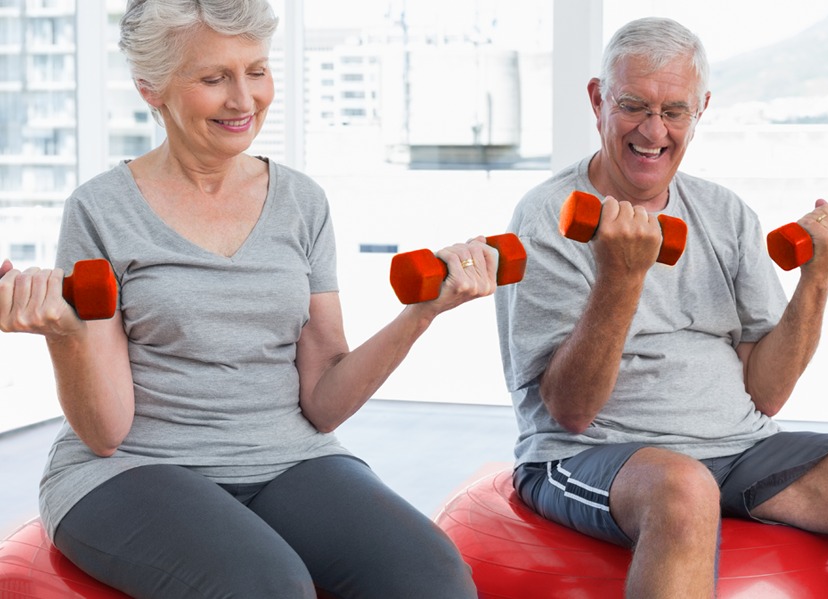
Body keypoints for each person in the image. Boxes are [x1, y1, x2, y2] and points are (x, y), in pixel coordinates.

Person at [0, 1, 486, 597]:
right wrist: (66, 333)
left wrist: (423, 312)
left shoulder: (302, 202)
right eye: (213, 78)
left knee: (430, 577)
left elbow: (325, 401)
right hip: (132, 466)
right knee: (265, 585)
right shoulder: (101, 209)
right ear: (150, 90)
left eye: (256, 70)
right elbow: (105, 431)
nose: (244, 99)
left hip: (287, 458)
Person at [494, 16, 828, 599]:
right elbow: (569, 411)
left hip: (739, 447)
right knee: (685, 489)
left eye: (674, 111)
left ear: (701, 109)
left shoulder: (726, 214)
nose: (653, 131)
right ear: (597, 100)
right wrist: (621, 279)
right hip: (589, 455)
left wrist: (819, 277)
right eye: (634, 105)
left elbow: (766, 394)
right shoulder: (549, 216)